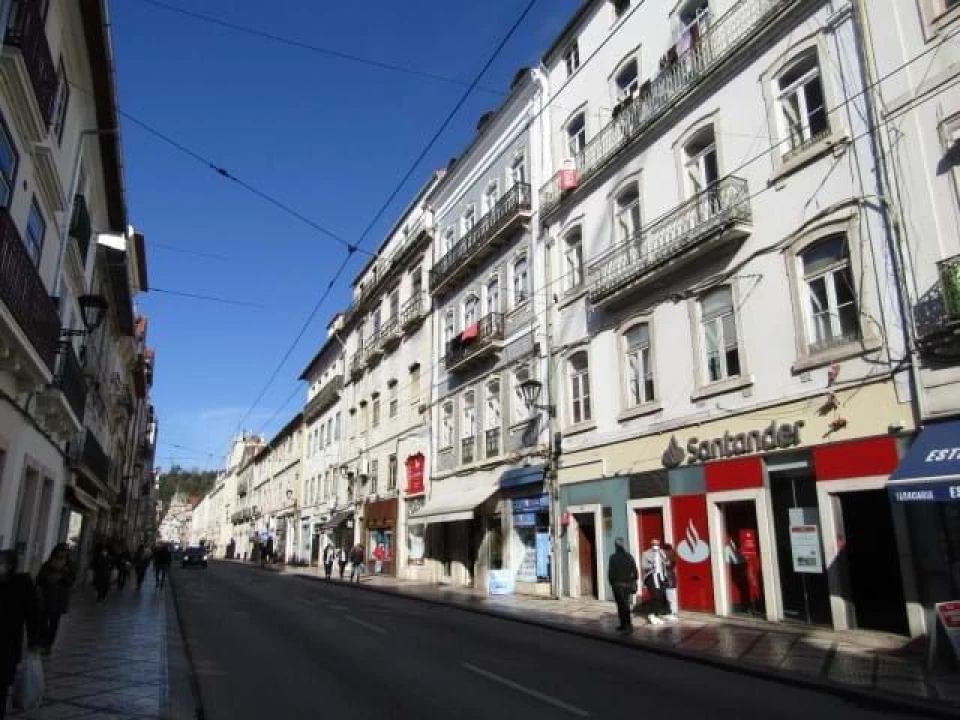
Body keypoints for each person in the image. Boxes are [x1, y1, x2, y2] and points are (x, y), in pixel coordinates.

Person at [0, 550, 41, 720]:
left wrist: (34, 640)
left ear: (10, 566)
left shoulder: (21, 586)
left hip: (6, 646)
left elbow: (33, 615)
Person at [36, 544, 76, 655]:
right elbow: (39, 579)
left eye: (64, 552)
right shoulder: (47, 565)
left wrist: (62, 576)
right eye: (60, 551)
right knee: (42, 621)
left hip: (59, 599)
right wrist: (47, 578)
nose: (62, 554)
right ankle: (42, 641)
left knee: (54, 623)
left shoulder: (70, 566)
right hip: (46, 598)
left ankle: (47, 645)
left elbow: (71, 581)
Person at [608, 538, 639, 632]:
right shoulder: (629, 556)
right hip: (627, 585)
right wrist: (633, 580)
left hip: (617, 585)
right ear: (623, 544)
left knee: (621, 605)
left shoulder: (613, 557)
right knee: (626, 604)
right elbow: (635, 571)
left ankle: (624, 625)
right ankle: (628, 624)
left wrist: (612, 583)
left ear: (615, 545)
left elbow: (611, 573)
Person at [641, 538, 674, 625]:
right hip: (651, 577)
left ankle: (666, 612)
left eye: (657, 544)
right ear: (651, 544)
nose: (656, 546)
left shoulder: (661, 552)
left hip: (661, 576)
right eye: (654, 544)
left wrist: (666, 560)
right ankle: (652, 615)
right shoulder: (646, 553)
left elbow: (667, 563)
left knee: (663, 595)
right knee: (655, 596)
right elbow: (643, 566)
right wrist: (652, 565)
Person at [662, 542, 679, 620]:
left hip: (669, 579)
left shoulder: (668, 558)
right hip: (672, 579)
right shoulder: (673, 556)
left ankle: (672, 612)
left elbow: (667, 567)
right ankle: (674, 611)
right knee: (672, 596)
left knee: (670, 597)